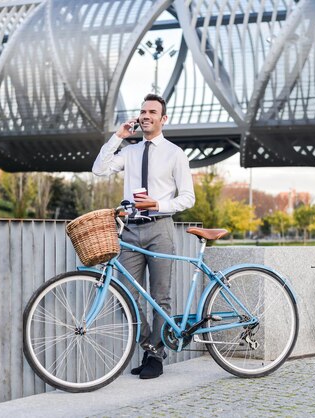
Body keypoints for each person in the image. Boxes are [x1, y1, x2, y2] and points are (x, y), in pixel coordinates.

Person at [92, 93, 195, 379]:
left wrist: (159, 204)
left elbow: (188, 198)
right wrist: (118, 136)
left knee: (161, 297)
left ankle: (155, 357)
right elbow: (98, 169)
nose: (145, 115)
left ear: (163, 119)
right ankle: (150, 345)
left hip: (160, 227)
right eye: (142, 111)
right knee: (127, 295)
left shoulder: (175, 154)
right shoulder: (130, 151)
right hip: (131, 230)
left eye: (152, 112)